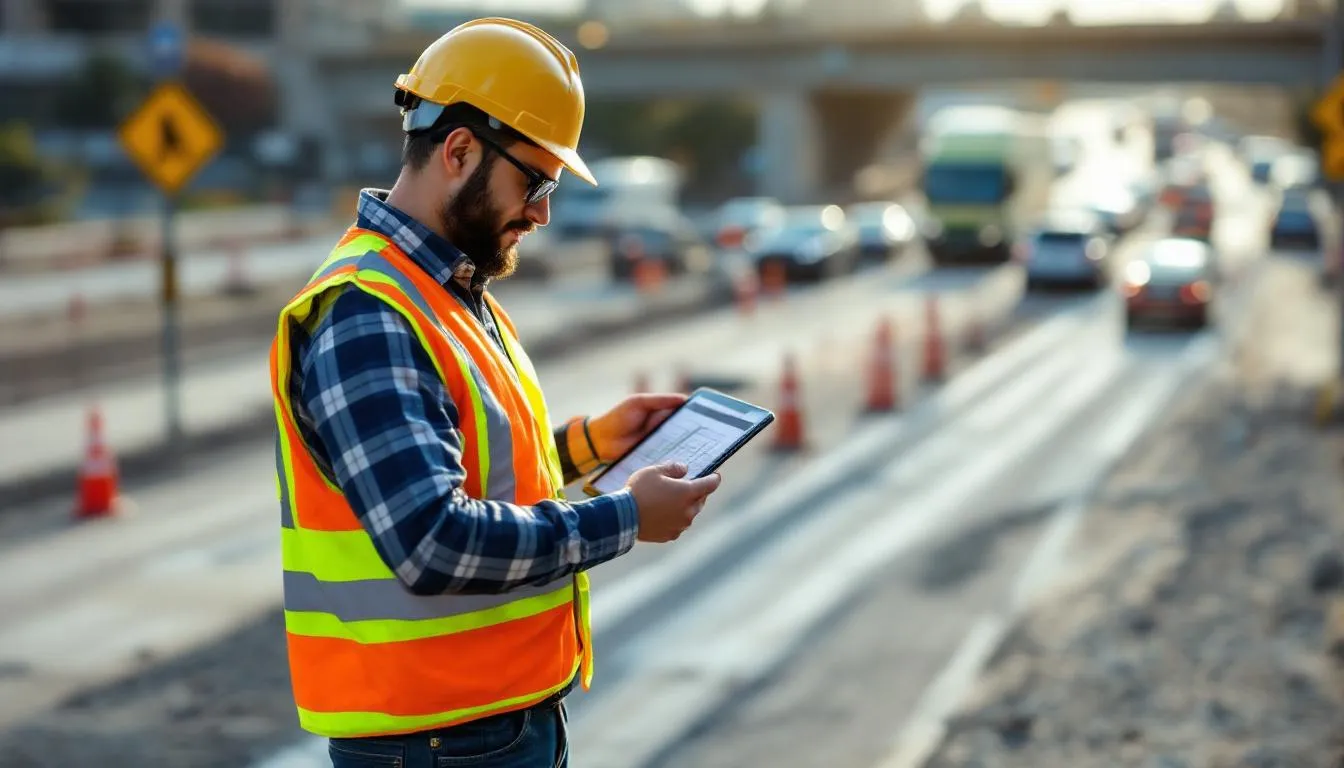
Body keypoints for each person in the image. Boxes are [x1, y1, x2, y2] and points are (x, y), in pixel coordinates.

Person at [266, 17, 723, 768]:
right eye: (535, 182)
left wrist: (589, 445)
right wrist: (627, 517)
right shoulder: (367, 313)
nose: (542, 212)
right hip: (437, 743)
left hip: (481, 728)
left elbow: (464, 466)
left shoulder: (446, 294)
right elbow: (432, 540)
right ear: (458, 152)